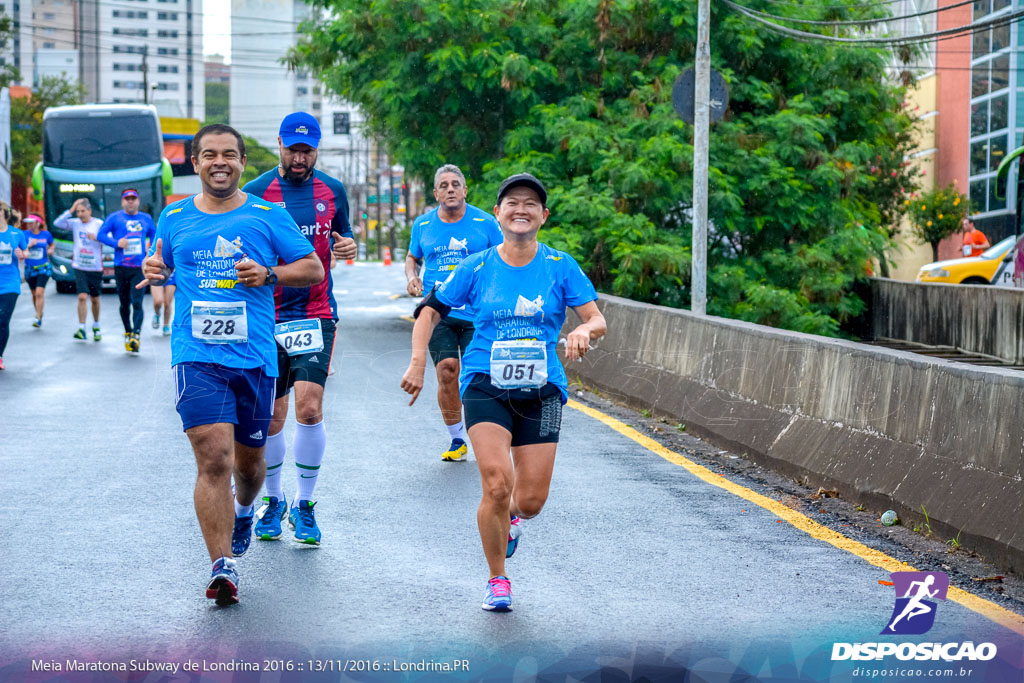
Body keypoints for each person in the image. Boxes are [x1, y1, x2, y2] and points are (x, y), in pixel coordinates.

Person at [401, 173, 606, 611]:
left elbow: (596, 318)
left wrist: (583, 331)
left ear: (543, 216)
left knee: (529, 500)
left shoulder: (559, 266)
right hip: (485, 385)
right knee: (496, 483)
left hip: (543, 389)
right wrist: (419, 360)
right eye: (512, 202)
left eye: (531, 204)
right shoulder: (475, 266)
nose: (521, 209)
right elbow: (429, 311)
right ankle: (498, 580)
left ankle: (513, 519)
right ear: (497, 214)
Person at [139, 123, 324, 606]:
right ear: (195, 163)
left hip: (255, 357)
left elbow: (312, 269)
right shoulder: (174, 216)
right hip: (196, 355)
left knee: (249, 465)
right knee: (213, 455)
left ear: (243, 162)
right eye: (209, 155)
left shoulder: (268, 214)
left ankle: (246, 509)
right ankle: (223, 565)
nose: (219, 162)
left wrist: (269, 274)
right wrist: (153, 269)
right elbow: (161, 263)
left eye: (229, 155)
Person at [242, 111, 357, 545]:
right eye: (292, 149)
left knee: (309, 409)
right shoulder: (255, 194)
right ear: (279, 145)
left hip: (317, 313)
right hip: (266, 316)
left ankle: (305, 504)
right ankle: (274, 501)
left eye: (307, 151)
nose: (298, 158)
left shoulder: (333, 191)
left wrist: (348, 245)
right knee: (272, 417)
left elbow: (343, 238)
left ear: (317, 150)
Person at [404, 164, 503, 462]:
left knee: (476, 377)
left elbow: (503, 259)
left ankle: (486, 433)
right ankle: (457, 438)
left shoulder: (485, 223)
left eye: (455, 184)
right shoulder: (423, 225)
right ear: (435, 193)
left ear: (464, 190)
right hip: (439, 312)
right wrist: (412, 276)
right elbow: (412, 257)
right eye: (444, 185)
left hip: (478, 312)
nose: (450, 189)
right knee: (447, 370)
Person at [98, 188, 157, 353]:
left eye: (133, 198)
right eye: (127, 199)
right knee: (124, 303)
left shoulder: (146, 218)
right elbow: (100, 234)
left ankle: (136, 335)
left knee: (137, 302)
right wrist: (117, 243)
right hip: (121, 267)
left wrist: (150, 250)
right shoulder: (115, 218)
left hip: (139, 268)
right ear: (122, 201)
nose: (130, 201)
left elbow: (154, 234)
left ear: (138, 201)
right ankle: (128, 331)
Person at [54, 198, 104, 341]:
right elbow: (57, 223)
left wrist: (96, 237)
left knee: (95, 298)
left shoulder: (98, 224)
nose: (80, 214)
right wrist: (71, 208)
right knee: (82, 296)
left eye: (83, 211)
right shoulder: (75, 224)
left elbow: (109, 238)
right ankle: (82, 328)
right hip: (80, 266)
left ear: (89, 211)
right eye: (78, 211)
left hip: (95, 267)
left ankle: (96, 324)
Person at [0, 202, 27, 369]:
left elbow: (26, 252)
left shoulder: (17, 234)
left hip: (10, 283)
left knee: (3, 320)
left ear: (4, 213)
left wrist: (22, 254)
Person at [21, 214, 54, 328]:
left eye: (32, 222)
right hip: (30, 267)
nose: (29, 225)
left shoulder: (46, 234)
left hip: (43, 267)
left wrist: (51, 250)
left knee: (40, 292)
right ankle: (39, 312)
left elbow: (52, 244)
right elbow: (21, 248)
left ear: (38, 223)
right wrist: (30, 245)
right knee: (34, 294)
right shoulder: (25, 234)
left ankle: (38, 317)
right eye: (28, 223)